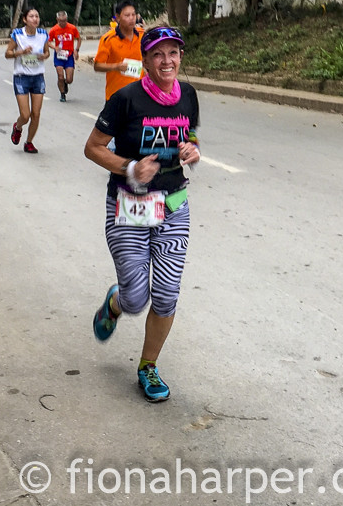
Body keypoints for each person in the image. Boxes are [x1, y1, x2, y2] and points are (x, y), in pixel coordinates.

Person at [84, 25, 201, 403]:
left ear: (180, 57)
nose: (167, 61)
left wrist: (192, 151)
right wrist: (130, 169)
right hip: (129, 206)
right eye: (158, 55)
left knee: (166, 295)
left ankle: (147, 366)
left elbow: (190, 135)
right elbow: (93, 147)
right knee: (136, 299)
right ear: (147, 61)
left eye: (174, 53)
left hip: (173, 205)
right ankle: (117, 302)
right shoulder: (126, 99)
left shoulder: (189, 95)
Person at [6, 7, 49, 153]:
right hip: (21, 77)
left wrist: (44, 56)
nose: (35, 19)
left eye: (37, 16)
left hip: (38, 77)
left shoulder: (43, 34)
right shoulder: (17, 34)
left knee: (36, 114)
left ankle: (29, 142)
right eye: (31, 16)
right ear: (25, 19)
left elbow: (47, 52)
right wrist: (21, 52)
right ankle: (17, 127)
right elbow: (8, 53)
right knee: (25, 115)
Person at [93, 1, 144, 101]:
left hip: (140, 94)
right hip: (116, 95)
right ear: (118, 17)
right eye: (127, 15)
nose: (131, 18)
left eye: (133, 15)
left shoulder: (143, 35)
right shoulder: (108, 39)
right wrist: (116, 66)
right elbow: (97, 66)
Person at [47, 10, 82, 102]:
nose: (63, 23)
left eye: (64, 20)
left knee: (69, 79)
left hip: (69, 56)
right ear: (57, 19)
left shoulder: (72, 28)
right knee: (60, 76)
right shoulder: (54, 29)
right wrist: (55, 47)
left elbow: (78, 39)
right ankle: (62, 94)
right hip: (59, 56)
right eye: (60, 21)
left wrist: (76, 50)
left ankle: (65, 83)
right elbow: (48, 42)